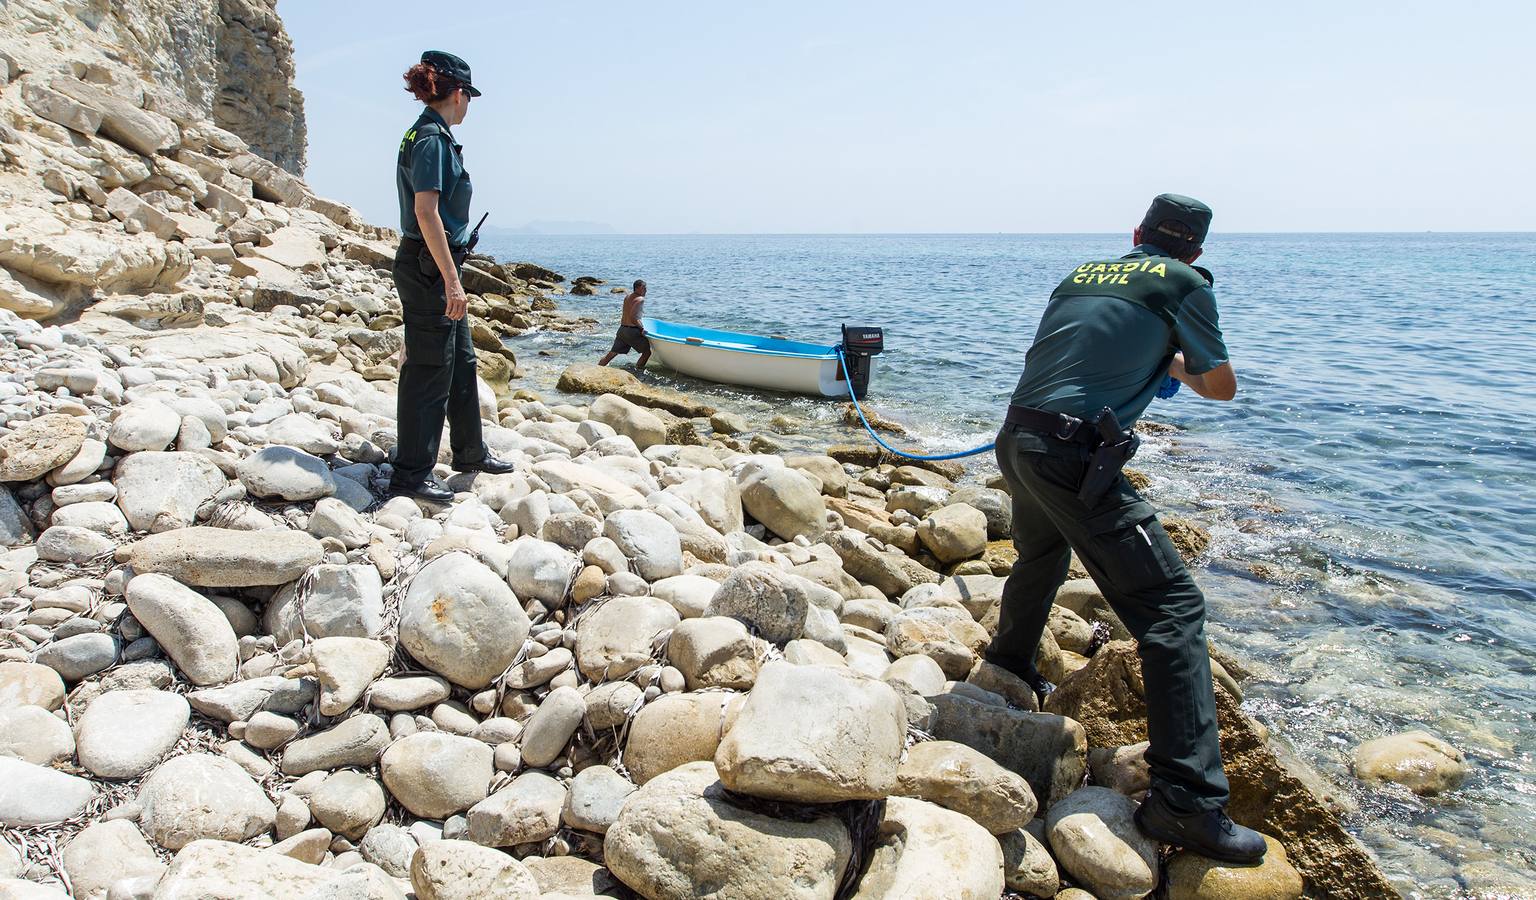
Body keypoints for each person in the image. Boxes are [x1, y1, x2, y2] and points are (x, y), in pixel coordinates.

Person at [988, 194, 1265, 863]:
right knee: (1174, 610)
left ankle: (1009, 663)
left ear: (1136, 233)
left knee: (1043, 553)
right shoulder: (1188, 284)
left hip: (1018, 437)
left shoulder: (1081, 274)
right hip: (1072, 454)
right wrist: (1176, 362)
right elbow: (1221, 385)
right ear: (1196, 251)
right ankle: (1188, 802)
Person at [390, 50, 514, 503]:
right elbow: (426, 213)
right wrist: (452, 279)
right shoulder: (430, 140)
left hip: (435, 264)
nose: (469, 107)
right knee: (428, 368)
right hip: (429, 267)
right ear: (458, 94)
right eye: (469, 97)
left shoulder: (428, 134)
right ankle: (410, 475)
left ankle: (470, 452)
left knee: (461, 362)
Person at [597, 280, 651, 370]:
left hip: (622, 330)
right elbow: (633, 318)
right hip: (632, 331)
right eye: (644, 288)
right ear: (637, 288)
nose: (646, 290)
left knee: (612, 353)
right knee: (647, 353)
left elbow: (627, 314)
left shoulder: (627, 297)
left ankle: (597, 369)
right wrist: (642, 328)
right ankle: (638, 372)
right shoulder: (640, 299)